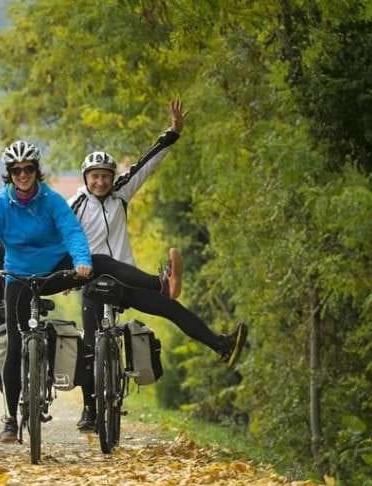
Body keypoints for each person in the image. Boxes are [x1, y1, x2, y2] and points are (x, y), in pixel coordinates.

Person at [0, 141, 245, 444]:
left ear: (37, 172)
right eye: (16, 170)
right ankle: (12, 419)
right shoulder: (1, 204)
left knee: (104, 263)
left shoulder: (53, 200)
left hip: (57, 270)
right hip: (19, 277)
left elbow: (72, 233)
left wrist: (81, 261)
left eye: (28, 169)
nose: (22, 174)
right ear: (9, 174)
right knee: (13, 344)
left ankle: (163, 287)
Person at [70, 101, 248, 430]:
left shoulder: (121, 194)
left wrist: (173, 132)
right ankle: (89, 411)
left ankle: (221, 345)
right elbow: (55, 230)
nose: (100, 182)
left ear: (112, 178)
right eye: (94, 176)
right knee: (89, 343)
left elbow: (145, 165)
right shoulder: (75, 204)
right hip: (93, 283)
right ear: (86, 178)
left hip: (126, 279)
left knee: (171, 308)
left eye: (105, 176)